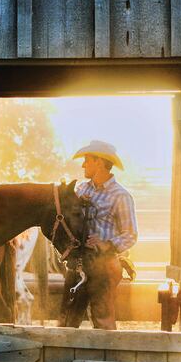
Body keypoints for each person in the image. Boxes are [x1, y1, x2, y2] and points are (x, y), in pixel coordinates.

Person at [59, 140, 138, 330]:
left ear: (100, 163)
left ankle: (107, 356)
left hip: (104, 265)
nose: (83, 164)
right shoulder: (82, 190)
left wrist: (106, 244)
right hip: (79, 263)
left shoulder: (121, 196)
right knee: (68, 318)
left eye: (87, 160)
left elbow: (131, 235)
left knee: (103, 319)